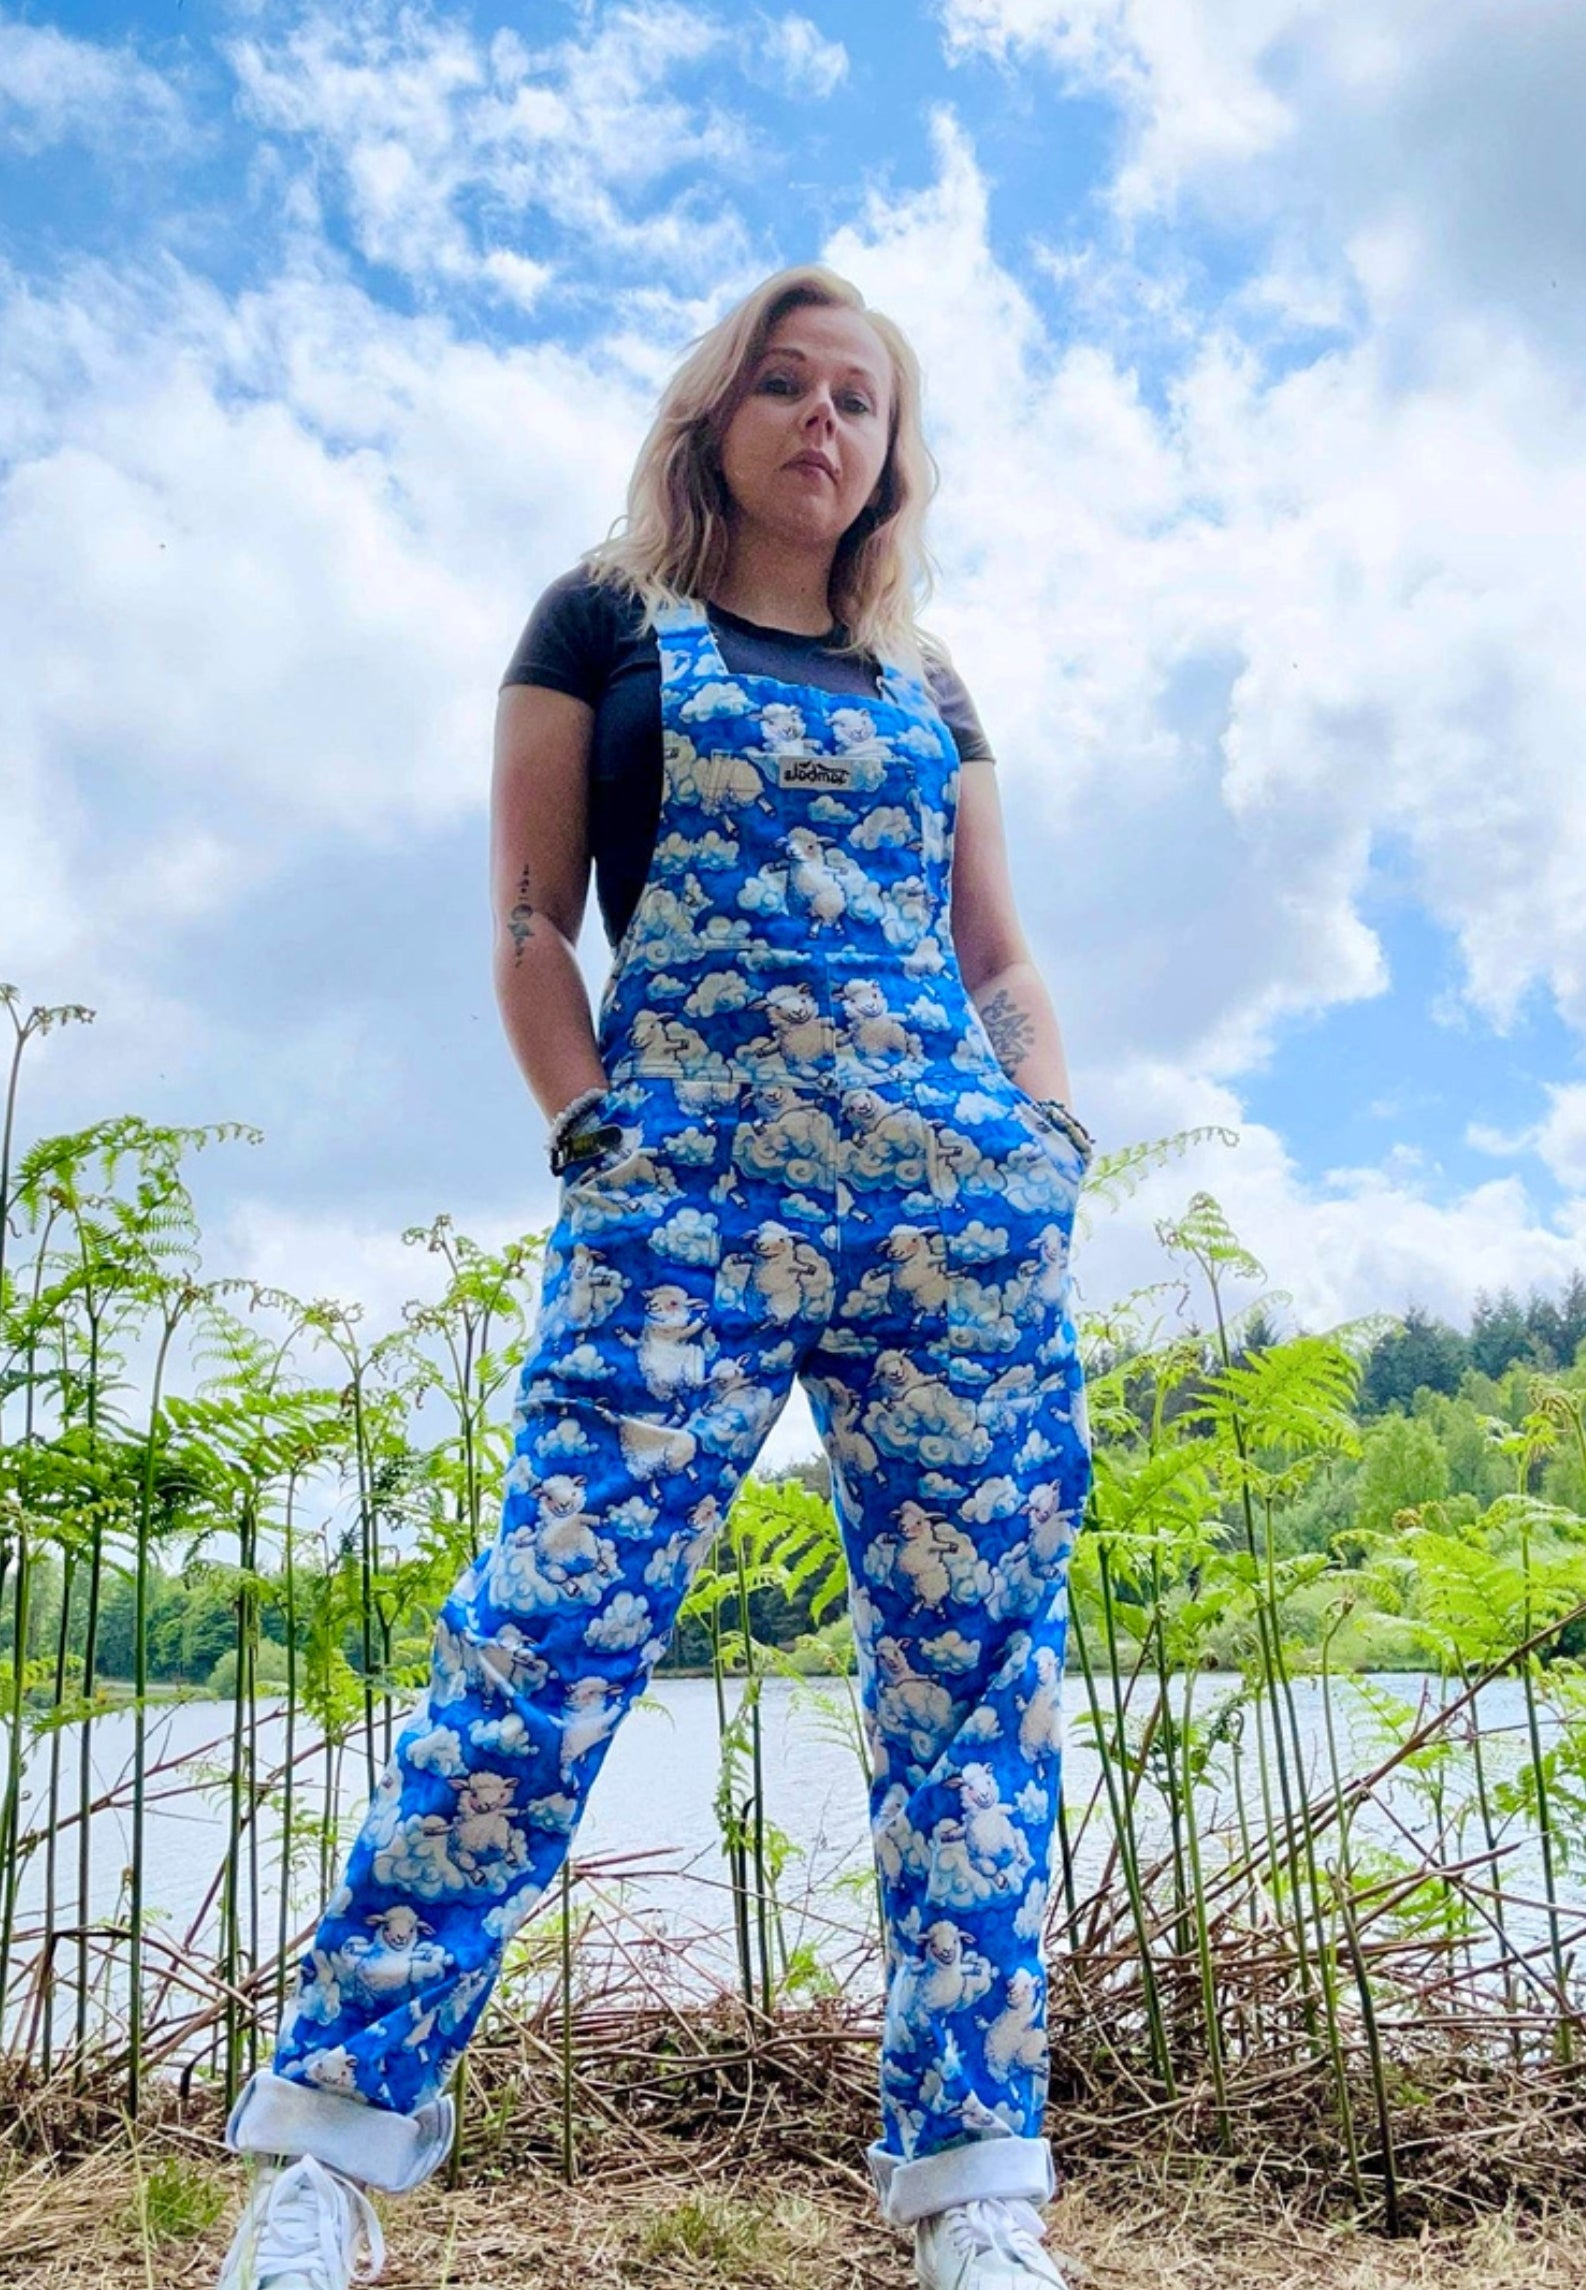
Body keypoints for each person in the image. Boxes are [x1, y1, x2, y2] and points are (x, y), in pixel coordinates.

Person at [214, 262, 1094, 2290]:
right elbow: (532, 921)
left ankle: (977, 2187)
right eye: (780, 384)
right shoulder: (602, 624)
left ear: (891, 451)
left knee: (973, 1691)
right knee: (541, 1641)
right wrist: (589, 1134)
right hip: (679, 1208)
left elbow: (997, 951)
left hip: (950, 1227)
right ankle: (325, 2158)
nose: (819, 420)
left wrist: (1045, 1137)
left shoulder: (926, 678)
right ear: (713, 413)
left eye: (856, 397)